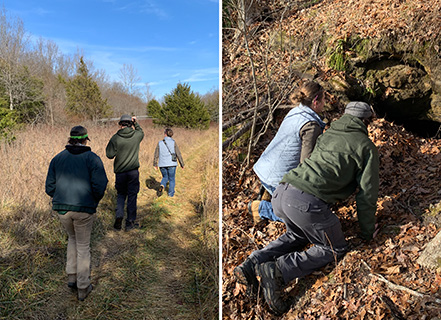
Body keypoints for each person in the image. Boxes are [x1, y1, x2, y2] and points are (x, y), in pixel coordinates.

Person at [234, 102, 379, 315]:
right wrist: (367, 232)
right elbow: (367, 194)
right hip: (305, 202)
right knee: (334, 248)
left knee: (298, 235)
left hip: (282, 191)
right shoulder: (365, 146)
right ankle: (278, 271)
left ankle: (253, 262)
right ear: (366, 122)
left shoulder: (328, 134)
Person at [45, 125, 108, 301]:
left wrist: (60, 198)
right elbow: (100, 185)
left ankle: (71, 278)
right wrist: (93, 201)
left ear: (70, 139)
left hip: (62, 210)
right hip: (84, 209)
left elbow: (49, 187)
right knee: (83, 246)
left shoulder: (57, 159)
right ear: (86, 140)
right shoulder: (93, 159)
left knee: (72, 239)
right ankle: (83, 286)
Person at [250, 81, 327, 223]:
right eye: (323, 100)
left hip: (265, 165)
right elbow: (306, 164)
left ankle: (269, 196)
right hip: (276, 177)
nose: (324, 103)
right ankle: (262, 208)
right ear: (316, 101)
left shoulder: (296, 111)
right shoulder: (310, 125)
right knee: (301, 218)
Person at [106, 115, 144, 231]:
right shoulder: (136, 135)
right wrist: (136, 122)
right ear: (131, 124)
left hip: (120, 173)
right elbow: (141, 132)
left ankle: (119, 216)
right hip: (133, 172)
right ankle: (130, 223)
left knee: (121, 195)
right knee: (132, 196)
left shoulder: (115, 138)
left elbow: (109, 155)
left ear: (120, 124)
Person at [153, 128, 184, 197]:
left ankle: (162, 185)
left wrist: (155, 164)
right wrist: (182, 164)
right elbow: (178, 153)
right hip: (172, 164)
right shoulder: (173, 142)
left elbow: (156, 154)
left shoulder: (160, 143)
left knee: (165, 177)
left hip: (162, 164)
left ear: (165, 134)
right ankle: (170, 194)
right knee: (172, 179)